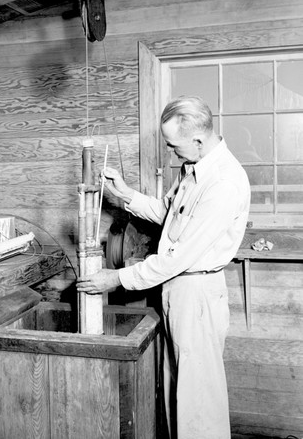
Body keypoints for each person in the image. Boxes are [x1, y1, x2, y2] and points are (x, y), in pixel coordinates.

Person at [76, 95, 251, 439]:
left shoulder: (223, 183)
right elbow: (168, 216)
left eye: (174, 146)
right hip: (178, 288)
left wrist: (116, 278)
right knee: (179, 387)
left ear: (198, 140)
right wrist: (125, 194)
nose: (171, 152)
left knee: (197, 398)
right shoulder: (193, 171)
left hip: (196, 291)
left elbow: (176, 257)